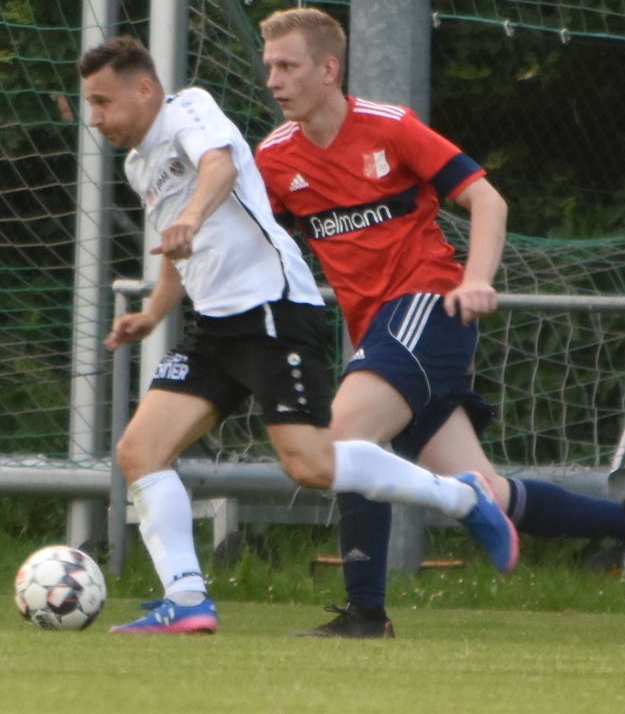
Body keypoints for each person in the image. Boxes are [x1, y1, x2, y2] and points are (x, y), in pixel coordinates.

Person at [255, 8, 625, 638]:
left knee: (345, 442)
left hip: (429, 307)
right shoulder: (274, 159)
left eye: (287, 66)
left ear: (328, 70)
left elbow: (486, 199)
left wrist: (477, 278)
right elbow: (257, 243)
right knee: (489, 492)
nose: (273, 79)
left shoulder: (389, 127)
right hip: (380, 333)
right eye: (269, 66)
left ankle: (366, 614)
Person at [80, 36, 521, 634]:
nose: (96, 118)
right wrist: (154, 314)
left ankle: (463, 498)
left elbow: (219, 167)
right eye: (91, 104)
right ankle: (186, 600)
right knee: (139, 452)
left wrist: (192, 214)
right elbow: (177, 250)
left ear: (144, 89)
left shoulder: (191, 110)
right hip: (216, 326)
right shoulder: (140, 164)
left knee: (311, 463)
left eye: (103, 101)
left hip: (271, 311)